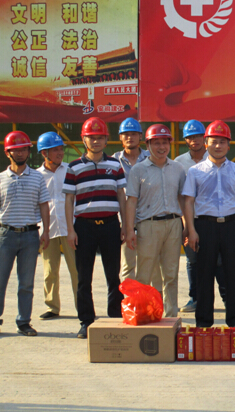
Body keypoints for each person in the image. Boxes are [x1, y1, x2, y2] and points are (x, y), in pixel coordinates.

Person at [182, 120, 235, 328]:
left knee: (232, 275)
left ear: (229, 145)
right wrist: (191, 230)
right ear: (206, 143)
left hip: (231, 226)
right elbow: (188, 201)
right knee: (204, 275)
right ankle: (203, 323)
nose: (218, 146)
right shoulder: (195, 171)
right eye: (214, 141)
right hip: (205, 226)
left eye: (222, 142)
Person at [0, 131, 50, 338]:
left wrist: (46, 232)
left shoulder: (38, 178)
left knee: (26, 283)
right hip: (5, 235)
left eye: (24, 149)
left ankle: (24, 322)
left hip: (30, 236)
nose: (20, 153)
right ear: (7, 153)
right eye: (16, 150)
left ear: (29, 152)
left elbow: (44, 205)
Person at [64, 117, 126, 339]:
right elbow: (69, 200)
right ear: (84, 139)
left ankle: (115, 316)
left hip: (110, 225)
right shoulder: (74, 167)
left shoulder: (115, 165)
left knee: (113, 275)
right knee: (84, 278)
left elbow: (121, 196)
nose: (96, 141)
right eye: (92, 137)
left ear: (106, 140)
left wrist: (125, 225)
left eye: (100, 137)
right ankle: (86, 321)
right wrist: (71, 230)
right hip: (84, 227)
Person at [125, 125, 187, 317]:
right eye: (157, 143)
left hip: (173, 224)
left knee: (171, 274)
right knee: (144, 274)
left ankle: (170, 316)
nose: (161, 147)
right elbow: (131, 201)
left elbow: (182, 199)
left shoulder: (177, 168)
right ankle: (143, 314)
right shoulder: (138, 170)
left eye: (165, 142)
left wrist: (187, 226)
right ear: (148, 145)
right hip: (148, 225)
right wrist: (129, 230)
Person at [175, 119, 224, 313]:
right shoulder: (179, 163)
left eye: (197, 136)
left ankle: (226, 298)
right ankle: (195, 298)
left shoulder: (214, 157)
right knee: (193, 260)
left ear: (204, 139)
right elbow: (181, 197)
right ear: (185, 140)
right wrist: (186, 225)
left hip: (212, 218)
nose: (194, 140)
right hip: (189, 219)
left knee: (218, 260)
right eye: (190, 137)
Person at [36, 132, 78, 320]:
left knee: (77, 270)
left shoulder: (71, 170)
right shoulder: (36, 176)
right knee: (49, 271)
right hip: (47, 229)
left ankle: (82, 306)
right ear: (44, 153)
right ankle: (52, 307)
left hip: (71, 228)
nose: (60, 153)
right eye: (55, 150)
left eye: (61, 149)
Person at [113, 118, 156, 289]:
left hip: (148, 218)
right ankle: (130, 301)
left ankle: (150, 301)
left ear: (140, 136)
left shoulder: (152, 158)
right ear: (120, 137)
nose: (130, 137)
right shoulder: (113, 161)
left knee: (151, 265)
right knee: (127, 265)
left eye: (133, 134)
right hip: (124, 220)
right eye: (126, 134)